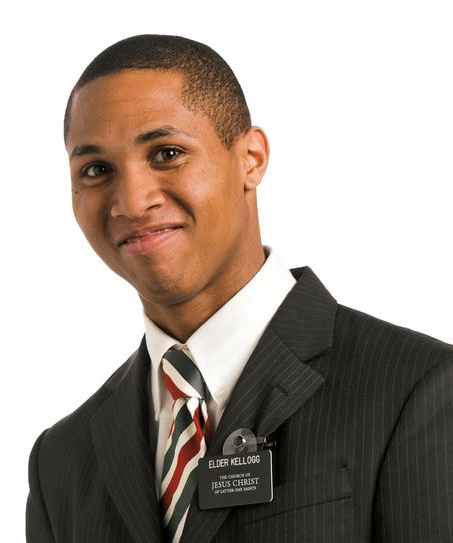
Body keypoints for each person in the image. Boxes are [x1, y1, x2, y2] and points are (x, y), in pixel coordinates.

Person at [26, 34, 453, 543]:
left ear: (251, 158)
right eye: (96, 170)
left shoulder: (419, 388)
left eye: (166, 153)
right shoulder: (61, 460)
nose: (132, 202)